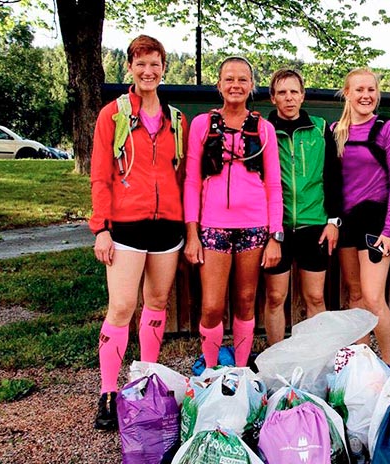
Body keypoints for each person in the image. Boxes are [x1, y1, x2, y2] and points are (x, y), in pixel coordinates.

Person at [89, 35, 188, 431]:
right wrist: (101, 229)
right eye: (141, 63)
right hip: (125, 226)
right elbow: (100, 175)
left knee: (158, 301)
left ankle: (146, 379)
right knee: (121, 306)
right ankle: (109, 393)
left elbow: (182, 174)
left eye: (155, 63)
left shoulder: (176, 119)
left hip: (167, 225)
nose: (148, 71)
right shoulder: (112, 115)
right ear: (129, 67)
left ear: (164, 67)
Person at [184, 56, 282, 369]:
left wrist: (274, 236)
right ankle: (211, 371)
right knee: (212, 306)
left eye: (242, 79)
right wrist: (191, 233)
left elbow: (274, 186)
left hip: (254, 226)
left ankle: (240, 371)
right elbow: (191, 181)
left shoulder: (263, 129)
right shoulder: (202, 124)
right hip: (213, 226)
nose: (235, 85)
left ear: (251, 86)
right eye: (229, 79)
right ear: (219, 85)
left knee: (245, 302)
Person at [333, 68, 390, 366]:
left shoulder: (387, 129)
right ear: (347, 93)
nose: (366, 96)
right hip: (348, 223)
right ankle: (361, 367)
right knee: (355, 297)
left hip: (377, 222)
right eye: (359, 90)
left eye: (371, 90)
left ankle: (389, 366)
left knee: (374, 299)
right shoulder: (335, 131)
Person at [263, 69, 343, 345]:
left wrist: (333, 221)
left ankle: (313, 359)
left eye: (294, 92)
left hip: (314, 225)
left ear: (303, 95)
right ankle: (275, 359)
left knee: (316, 297)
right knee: (275, 297)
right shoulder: (264, 129)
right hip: (278, 227)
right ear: (273, 98)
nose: (289, 98)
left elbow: (333, 177)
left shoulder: (320, 128)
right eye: (282, 92)